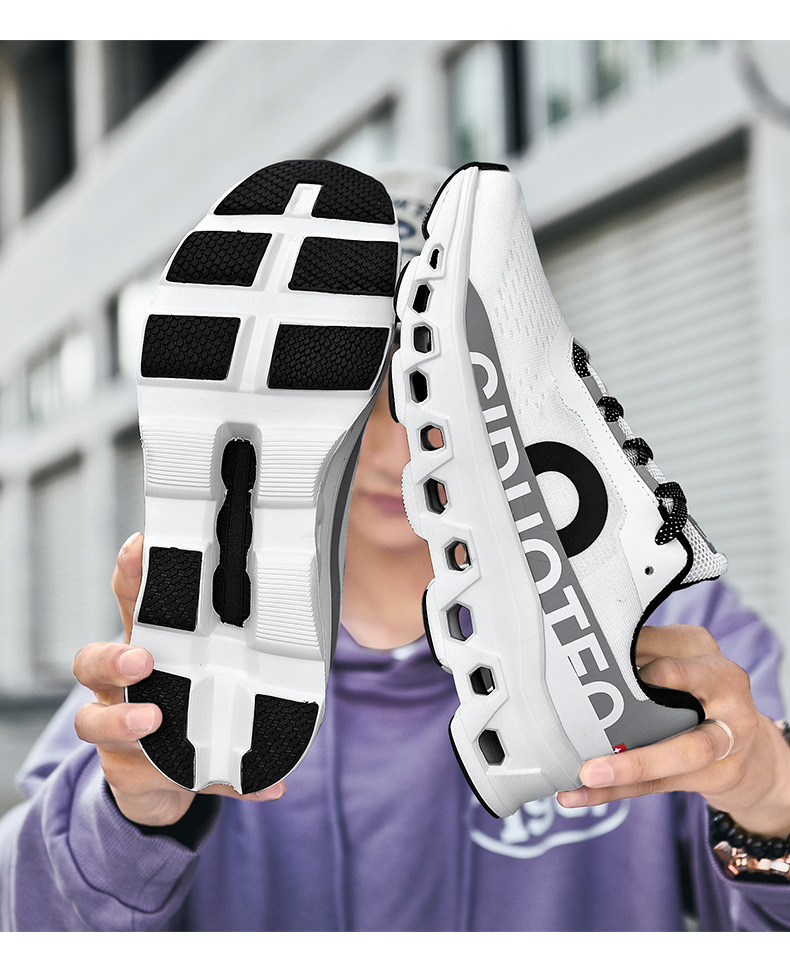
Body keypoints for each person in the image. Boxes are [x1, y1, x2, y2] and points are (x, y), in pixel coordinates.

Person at [1, 165, 790, 932]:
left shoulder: (667, 631)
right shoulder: (185, 660)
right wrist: (128, 821)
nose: (399, 442)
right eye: (346, 385)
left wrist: (770, 800)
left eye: (427, 383)